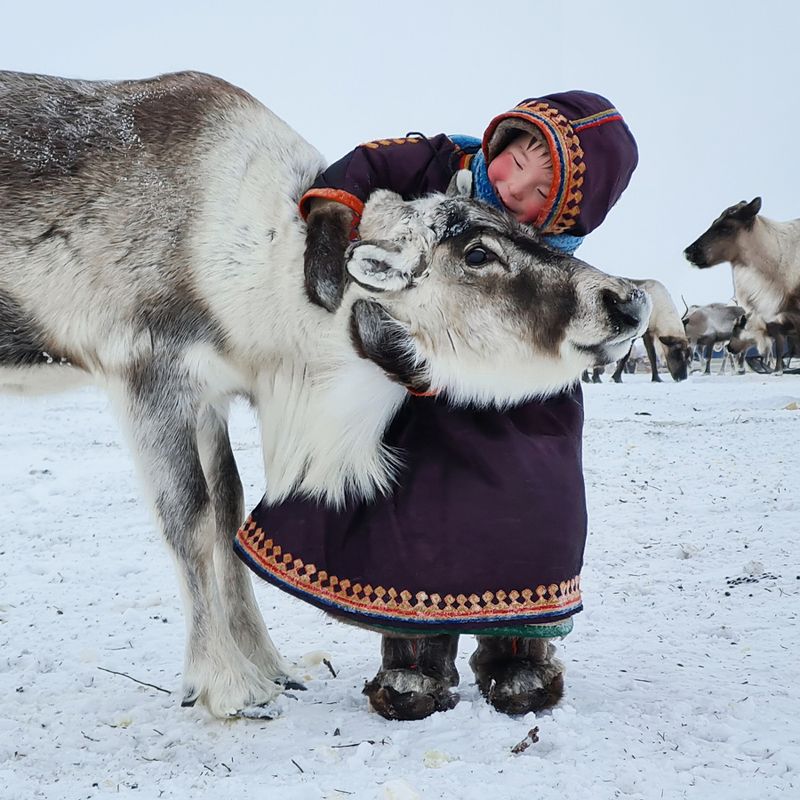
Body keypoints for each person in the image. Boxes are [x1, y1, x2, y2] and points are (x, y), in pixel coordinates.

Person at [235, 91, 639, 720]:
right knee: (418, 521)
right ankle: (416, 661)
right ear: (503, 137)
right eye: (518, 158)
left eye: (539, 192)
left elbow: (569, 315)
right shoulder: (440, 161)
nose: (514, 186)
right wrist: (331, 222)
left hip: (520, 405)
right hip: (426, 400)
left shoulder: (547, 255)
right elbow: (365, 166)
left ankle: (516, 653)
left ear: (560, 214)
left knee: (525, 516)